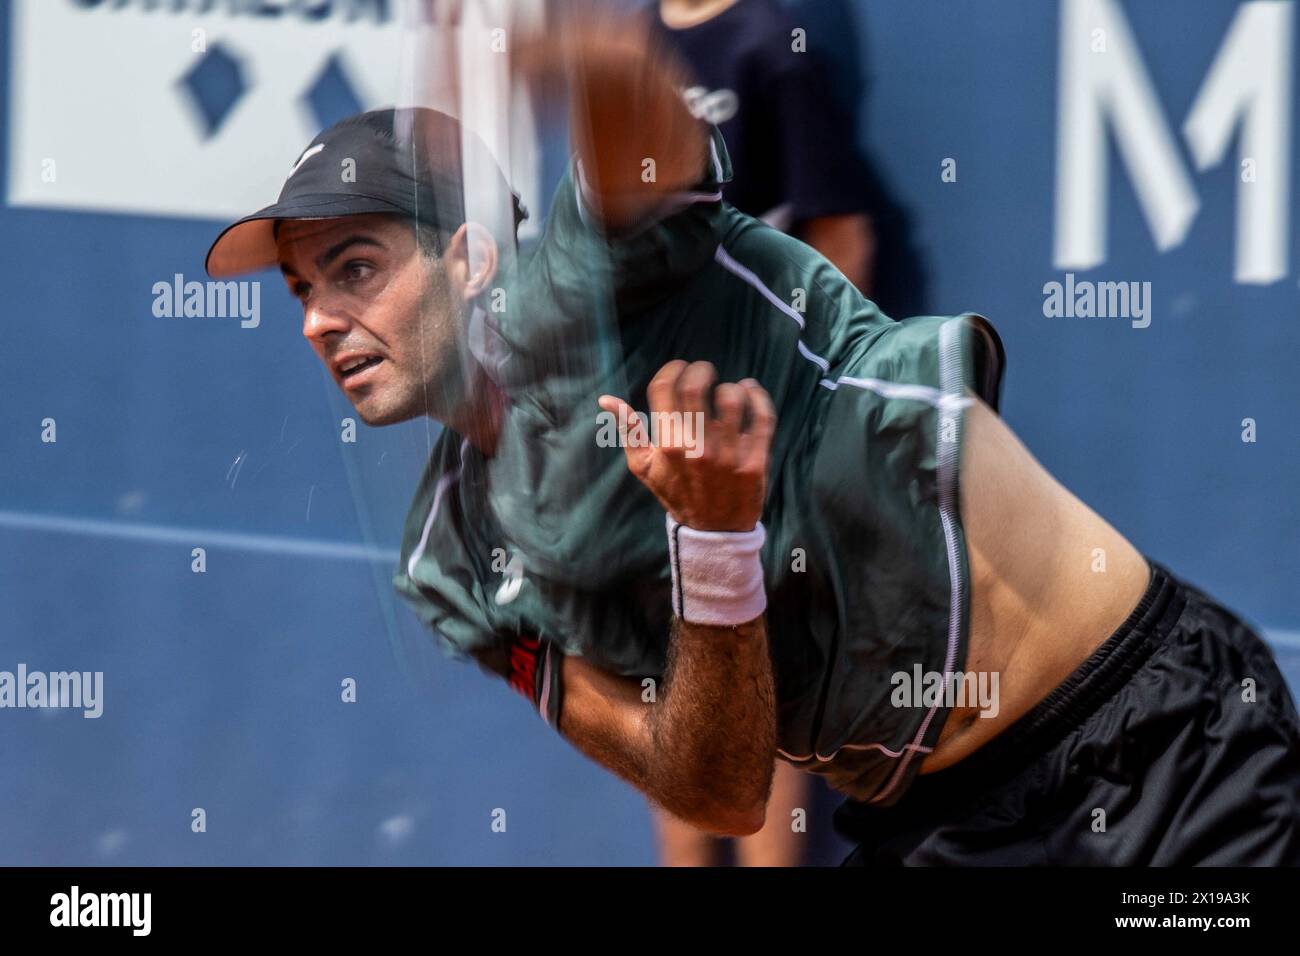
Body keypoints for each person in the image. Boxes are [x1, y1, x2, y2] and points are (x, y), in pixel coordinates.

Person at [204, 19, 1300, 865]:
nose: (315, 319)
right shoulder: (453, 562)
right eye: (302, 288)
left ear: (473, 260)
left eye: (355, 268)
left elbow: (649, 132)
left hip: (1155, 739)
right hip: (933, 828)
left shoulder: (601, 275)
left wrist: (561, 42)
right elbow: (715, 787)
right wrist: (714, 550)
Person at [647, 0, 884, 866]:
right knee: (667, 676)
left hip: (760, 427)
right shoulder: (631, 42)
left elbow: (840, 235)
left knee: (762, 683)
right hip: (658, 418)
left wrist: (796, 404)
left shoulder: (776, 50)